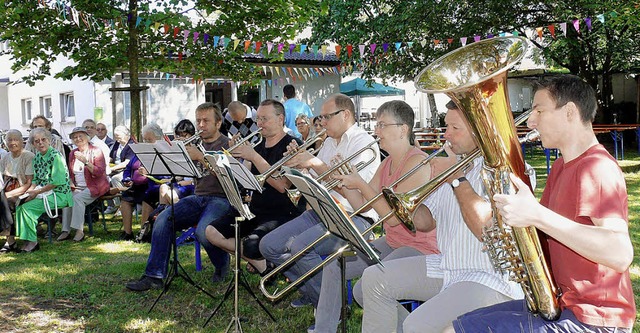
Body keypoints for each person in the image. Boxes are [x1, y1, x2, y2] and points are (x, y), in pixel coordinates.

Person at [448, 75, 635, 333]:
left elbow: (619, 253)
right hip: (561, 305)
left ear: (569, 112)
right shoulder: (561, 165)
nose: (531, 121)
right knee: (457, 325)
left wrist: (537, 215)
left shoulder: (597, 167)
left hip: (594, 319)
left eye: (539, 110)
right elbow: (542, 231)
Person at [357, 100, 524, 333]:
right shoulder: (454, 166)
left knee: (416, 325)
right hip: (447, 266)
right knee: (374, 278)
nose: (447, 135)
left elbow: (485, 231)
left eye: (455, 129)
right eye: (447, 127)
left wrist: (456, 178)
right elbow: (426, 224)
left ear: (480, 130)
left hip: (486, 276)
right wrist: (408, 203)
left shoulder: (503, 171)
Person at [307, 101, 439, 333]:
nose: (376, 131)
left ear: (402, 129)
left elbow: (394, 218)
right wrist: (344, 184)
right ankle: (324, 330)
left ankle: (410, 327)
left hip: (419, 248)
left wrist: (358, 182)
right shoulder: (387, 162)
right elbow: (364, 206)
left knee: (366, 286)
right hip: (392, 242)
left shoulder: (417, 163)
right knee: (335, 265)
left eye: (382, 125)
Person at [259, 93, 380, 312]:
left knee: (300, 247)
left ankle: (333, 305)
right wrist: (299, 165)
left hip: (353, 217)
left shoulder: (364, 143)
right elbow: (315, 181)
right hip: (322, 210)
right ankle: (318, 294)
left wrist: (314, 163)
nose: (321, 122)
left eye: (326, 117)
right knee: (268, 246)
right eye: (321, 117)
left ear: (345, 115)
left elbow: (354, 191)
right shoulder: (329, 142)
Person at [125, 102, 234, 291]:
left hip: (222, 198)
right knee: (163, 218)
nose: (200, 125)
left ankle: (222, 263)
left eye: (206, 121)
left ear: (218, 123)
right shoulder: (194, 144)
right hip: (198, 196)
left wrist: (200, 157)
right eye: (198, 120)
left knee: (202, 231)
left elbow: (229, 179)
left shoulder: (228, 144)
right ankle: (155, 275)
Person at [205, 99, 304, 276]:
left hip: (282, 213)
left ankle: (268, 264)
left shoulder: (293, 146)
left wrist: (253, 156)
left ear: (280, 119)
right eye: (258, 119)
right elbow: (246, 180)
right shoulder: (257, 146)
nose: (259, 124)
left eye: (265, 119)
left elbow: (283, 186)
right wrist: (232, 160)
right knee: (211, 232)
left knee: (251, 245)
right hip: (255, 210)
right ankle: (264, 267)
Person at [14, 128, 73, 252]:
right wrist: (28, 193)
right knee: (20, 206)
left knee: (27, 208)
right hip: (43, 192)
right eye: (36, 141)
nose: (40, 143)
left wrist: (36, 193)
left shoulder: (56, 156)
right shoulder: (37, 158)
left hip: (60, 195)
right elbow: (35, 180)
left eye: (43, 139)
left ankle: (33, 243)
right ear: (33, 144)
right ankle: (26, 240)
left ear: (49, 141)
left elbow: (56, 182)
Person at [58, 127, 110, 242]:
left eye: (80, 136)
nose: (78, 139)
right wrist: (71, 182)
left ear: (87, 137)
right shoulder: (72, 153)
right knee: (67, 198)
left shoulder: (96, 151)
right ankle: (65, 230)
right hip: (78, 186)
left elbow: (99, 172)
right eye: (75, 137)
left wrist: (85, 161)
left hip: (95, 186)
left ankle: (79, 231)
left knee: (77, 199)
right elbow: (70, 173)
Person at [118, 123, 163, 240]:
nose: (146, 142)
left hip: (152, 186)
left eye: (149, 139)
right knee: (125, 197)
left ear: (158, 138)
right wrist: (127, 179)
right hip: (137, 185)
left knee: (147, 197)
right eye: (145, 139)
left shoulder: (162, 151)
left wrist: (150, 173)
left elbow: (164, 175)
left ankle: (144, 232)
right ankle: (127, 233)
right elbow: (128, 168)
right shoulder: (140, 152)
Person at [0, 130, 35, 253]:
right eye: (9, 140)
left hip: (23, 191)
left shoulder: (28, 156)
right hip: (6, 190)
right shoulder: (5, 157)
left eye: (15, 139)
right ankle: (10, 240)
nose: (12, 142)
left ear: (22, 141)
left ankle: (10, 241)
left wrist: (6, 195)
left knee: (4, 203)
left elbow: (28, 183)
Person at [104, 125, 136, 214]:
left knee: (115, 179)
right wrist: (105, 164)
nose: (117, 140)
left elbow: (127, 163)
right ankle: (111, 205)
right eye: (116, 137)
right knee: (103, 179)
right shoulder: (117, 144)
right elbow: (111, 157)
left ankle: (120, 206)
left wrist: (111, 168)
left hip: (127, 170)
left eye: (119, 137)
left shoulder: (131, 145)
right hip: (114, 168)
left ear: (126, 135)